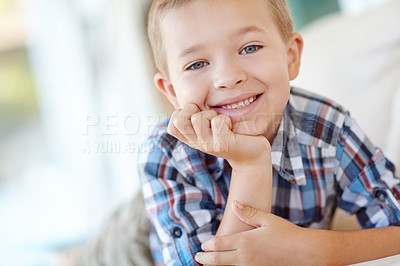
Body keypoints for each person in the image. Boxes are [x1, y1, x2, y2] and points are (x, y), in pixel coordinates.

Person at [139, 0, 400, 265]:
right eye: (196, 64)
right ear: (172, 92)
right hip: (139, 243)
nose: (228, 77)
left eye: (249, 48)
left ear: (291, 57)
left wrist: (317, 249)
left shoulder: (329, 129)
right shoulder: (165, 153)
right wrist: (250, 165)